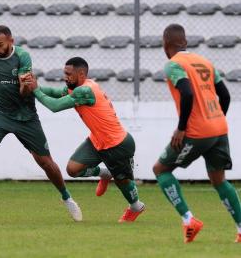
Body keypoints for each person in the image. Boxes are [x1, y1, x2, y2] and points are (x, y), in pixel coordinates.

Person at [0, 25, 82, 222]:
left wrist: (25, 86)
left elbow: (24, 92)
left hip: (26, 116)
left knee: (45, 161)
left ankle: (67, 198)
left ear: (11, 41)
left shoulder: (22, 57)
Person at [26, 57, 146, 223]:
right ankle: (105, 173)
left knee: (123, 182)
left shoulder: (85, 91)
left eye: (68, 74)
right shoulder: (76, 87)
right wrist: (36, 87)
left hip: (117, 144)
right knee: (73, 169)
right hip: (97, 140)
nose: (65, 77)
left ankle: (136, 206)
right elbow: (54, 93)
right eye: (64, 73)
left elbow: (54, 106)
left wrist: (35, 91)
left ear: (81, 73)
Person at [153, 23, 241, 243]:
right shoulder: (205, 62)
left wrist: (181, 128)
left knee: (161, 169)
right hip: (219, 128)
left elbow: (187, 93)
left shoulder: (173, 65)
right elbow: (226, 96)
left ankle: (188, 219)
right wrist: (216, 120)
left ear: (166, 43)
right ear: (185, 42)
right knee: (219, 180)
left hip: (196, 132)